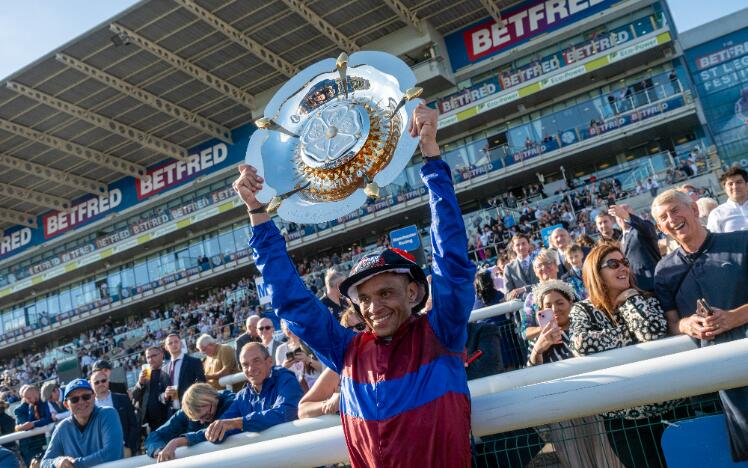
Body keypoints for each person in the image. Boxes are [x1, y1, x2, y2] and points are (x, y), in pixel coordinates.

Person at [235, 104, 476, 467]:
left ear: (413, 293)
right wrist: (256, 211)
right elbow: (291, 302)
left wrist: (431, 156)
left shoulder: (441, 333)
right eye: (363, 298)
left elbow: (451, 261)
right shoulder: (347, 352)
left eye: (385, 293)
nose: (373, 307)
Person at [652, 189, 748, 461]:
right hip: (713, 388)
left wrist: (735, 316)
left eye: (675, 210)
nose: (671, 219)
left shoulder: (742, 242)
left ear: (693, 210)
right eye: (663, 217)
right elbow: (671, 323)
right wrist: (687, 325)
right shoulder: (664, 270)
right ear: (660, 228)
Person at [569, 243, 673, 468]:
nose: (623, 268)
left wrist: (629, 299)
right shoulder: (583, 310)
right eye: (613, 264)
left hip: (669, 410)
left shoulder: (645, 297)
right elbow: (581, 344)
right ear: (596, 273)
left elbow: (652, 333)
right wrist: (631, 336)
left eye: (625, 262)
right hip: (624, 421)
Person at [527, 280, 624, 468]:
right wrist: (537, 350)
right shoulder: (537, 343)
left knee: (608, 457)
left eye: (560, 303)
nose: (554, 309)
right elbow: (531, 379)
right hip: (563, 413)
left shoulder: (587, 330)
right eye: (548, 306)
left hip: (597, 405)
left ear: (571, 304)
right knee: (576, 460)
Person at [204, 343, 303, 443]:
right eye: (245, 365)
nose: (251, 369)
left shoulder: (285, 379)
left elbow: (286, 413)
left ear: (269, 362)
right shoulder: (242, 396)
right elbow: (221, 427)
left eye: (256, 361)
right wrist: (191, 438)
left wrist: (239, 423)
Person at [298, 308, 368, 419]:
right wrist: (329, 404)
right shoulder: (340, 367)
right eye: (348, 329)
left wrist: (347, 397)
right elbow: (303, 409)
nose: (354, 332)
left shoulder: (393, 356)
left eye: (360, 327)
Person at [40, 379, 123, 468]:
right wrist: (58, 462)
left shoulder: (108, 414)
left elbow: (112, 453)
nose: (81, 402)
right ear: (66, 405)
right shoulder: (61, 428)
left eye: (86, 396)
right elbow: (44, 463)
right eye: (74, 399)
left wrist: (73, 465)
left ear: (94, 397)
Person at [145, 383, 235, 462]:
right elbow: (154, 436)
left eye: (206, 415)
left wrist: (178, 442)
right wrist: (159, 451)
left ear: (214, 399)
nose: (202, 421)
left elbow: (216, 431)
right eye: (196, 419)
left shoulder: (232, 402)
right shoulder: (188, 412)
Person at [521, 249, 586, 342]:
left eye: (548, 263)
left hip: (580, 335)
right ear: (535, 272)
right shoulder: (531, 298)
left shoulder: (574, 284)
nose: (544, 267)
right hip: (551, 343)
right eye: (539, 265)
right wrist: (545, 328)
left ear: (557, 267)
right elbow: (524, 332)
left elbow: (589, 304)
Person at [608, 204, 660, 292]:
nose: (621, 216)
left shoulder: (642, 230)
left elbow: (645, 227)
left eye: (625, 213)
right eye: (619, 215)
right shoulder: (619, 240)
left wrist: (626, 216)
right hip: (635, 287)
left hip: (654, 282)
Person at [90, 369, 139, 457]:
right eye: (96, 382)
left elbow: (133, 425)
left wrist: (129, 447)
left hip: (124, 451)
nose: (101, 384)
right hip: (100, 455)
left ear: (108, 381)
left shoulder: (123, 399)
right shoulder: (89, 406)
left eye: (103, 381)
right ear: (91, 385)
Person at [274, 321, 325, 392]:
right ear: (283, 329)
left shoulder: (312, 344)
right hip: (294, 391)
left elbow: (325, 369)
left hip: (316, 389)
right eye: (287, 327)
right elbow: (278, 376)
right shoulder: (281, 349)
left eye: (292, 325)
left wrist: (307, 359)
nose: (290, 329)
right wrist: (285, 366)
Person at [131, 346, 171, 432]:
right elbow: (135, 397)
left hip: (170, 418)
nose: (150, 359)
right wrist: (140, 383)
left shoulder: (169, 370)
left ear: (162, 355)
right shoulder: (145, 375)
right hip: (152, 424)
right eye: (148, 357)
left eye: (153, 356)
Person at [164, 333, 206, 412]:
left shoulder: (194, 362)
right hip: (172, 411)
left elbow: (202, 383)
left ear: (181, 343)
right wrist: (165, 394)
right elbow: (162, 392)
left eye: (176, 341)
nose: (174, 344)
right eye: (170, 343)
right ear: (166, 347)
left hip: (192, 408)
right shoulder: (164, 369)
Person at [14, 384, 52, 466]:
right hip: (33, 447)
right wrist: (22, 427)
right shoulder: (26, 408)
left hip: (48, 440)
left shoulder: (44, 401)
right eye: (25, 397)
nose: (26, 400)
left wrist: (33, 424)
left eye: (28, 397)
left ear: (36, 393)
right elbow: (28, 424)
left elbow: (49, 418)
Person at [707, 166, 748, 233]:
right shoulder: (717, 214)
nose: (735, 187)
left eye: (739, 182)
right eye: (730, 184)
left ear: (747, 185)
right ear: (725, 189)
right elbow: (714, 241)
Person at [503, 234, 539, 299]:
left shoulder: (539, 261)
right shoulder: (508, 268)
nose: (521, 247)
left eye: (523, 243)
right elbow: (508, 295)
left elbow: (545, 283)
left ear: (529, 245)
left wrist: (524, 289)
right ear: (513, 248)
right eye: (517, 245)